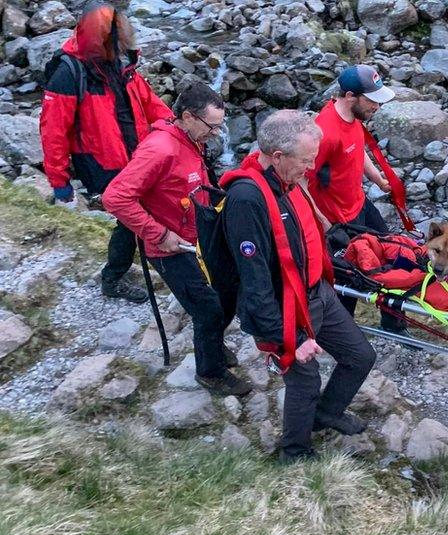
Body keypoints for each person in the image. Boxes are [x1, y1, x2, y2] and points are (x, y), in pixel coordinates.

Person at [221, 110, 377, 464]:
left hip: (317, 292)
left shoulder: (287, 181)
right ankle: (294, 452)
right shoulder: (248, 200)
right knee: (304, 384)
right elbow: (255, 280)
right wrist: (283, 338)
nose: (312, 168)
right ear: (278, 156)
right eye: (306, 161)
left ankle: (326, 414)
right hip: (288, 307)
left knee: (360, 356)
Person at [102, 83, 251, 397]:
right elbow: (115, 197)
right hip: (169, 247)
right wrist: (158, 234)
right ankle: (211, 374)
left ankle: (212, 344)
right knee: (208, 308)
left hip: (197, 236)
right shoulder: (160, 149)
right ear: (187, 116)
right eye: (212, 126)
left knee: (226, 292)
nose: (217, 132)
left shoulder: (189, 138)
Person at [40, 0, 174, 303]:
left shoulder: (119, 62)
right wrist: (59, 183)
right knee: (132, 217)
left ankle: (143, 264)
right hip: (103, 162)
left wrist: (172, 128)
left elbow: (147, 100)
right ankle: (114, 278)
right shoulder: (69, 72)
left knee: (141, 212)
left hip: (135, 152)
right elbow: (53, 132)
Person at [307, 64, 406, 332]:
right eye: (372, 100)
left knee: (395, 257)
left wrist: (378, 180)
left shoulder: (354, 118)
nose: (377, 106)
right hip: (338, 221)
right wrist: (322, 223)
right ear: (351, 96)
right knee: (349, 277)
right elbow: (301, 182)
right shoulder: (323, 132)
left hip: (359, 204)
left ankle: (393, 323)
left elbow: (358, 151)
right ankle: (342, 333)